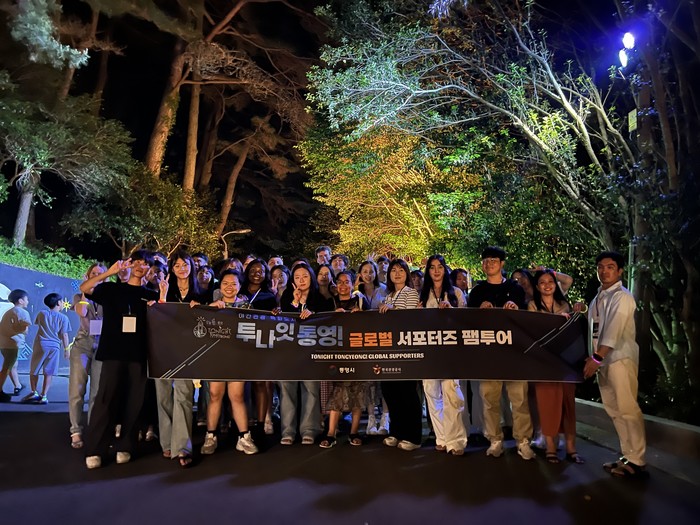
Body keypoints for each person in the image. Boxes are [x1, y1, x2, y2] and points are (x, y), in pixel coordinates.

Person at [80, 251, 161, 469]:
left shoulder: (150, 295)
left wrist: (162, 294)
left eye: (145, 264)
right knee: (105, 400)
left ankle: (125, 446)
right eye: (137, 262)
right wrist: (109, 272)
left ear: (149, 270)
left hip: (138, 354)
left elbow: (163, 318)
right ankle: (96, 449)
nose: (140, 266)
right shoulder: (111, 289)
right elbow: (85, 288)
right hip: (112, 353)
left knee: (134, 401)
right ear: (129, 264)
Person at [584, 250, 647, 477]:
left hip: (619, 358)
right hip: (603, 361)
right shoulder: (598, 298)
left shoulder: (622, 296)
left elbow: (613, 331)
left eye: (610, 267)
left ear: (620, 271)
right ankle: (627, 455)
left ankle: (637, 460)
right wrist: (594, 357)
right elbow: (595, 332)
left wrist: (596, 358)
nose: (604, 271)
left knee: (627, 408)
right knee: (614, 410)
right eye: (600, 267)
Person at [469, 246, 534, 460]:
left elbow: (526, 317)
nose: (489, 264)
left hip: (514, 352)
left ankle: (523, 441)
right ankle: (495, 440)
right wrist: (479, 311)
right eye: (486, 261)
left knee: (519, 398)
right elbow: (467, 322)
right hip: (488, 354)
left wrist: (515, 307)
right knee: (489, 398)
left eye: (494, 260)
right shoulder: (477, 291)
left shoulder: (515, 288)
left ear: (502, 264)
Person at [528, 269, 584, 464]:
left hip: (565, 362)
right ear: (537, 287)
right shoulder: (532, 305)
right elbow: (533, 330)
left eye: (550, 281)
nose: (547, 285)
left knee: (568, 404)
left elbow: (568, 279)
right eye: (542, 282)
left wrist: (549, 271)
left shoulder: (564, 304)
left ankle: (571, 448)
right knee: (547, 404)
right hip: (544, 363)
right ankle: (550, 447)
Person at [201, 269, 259, 456]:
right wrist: (210, 308)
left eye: (234, 284)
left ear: (240, 286)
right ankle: (211, 436)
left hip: (238, 358)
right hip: (216, 357)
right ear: (220, 286)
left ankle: (244, 437)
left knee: (237, 396)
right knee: (215, 394)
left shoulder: (247, 307)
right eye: (225, 283)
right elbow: (199, 325)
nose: (229, 287)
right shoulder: (212, 305)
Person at [156, 250, 203, 468]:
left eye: (185, 265)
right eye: (177, 265)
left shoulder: (201, 292)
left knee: (184, 395)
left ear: (192, 267)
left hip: (188, 352)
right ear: (171, 269)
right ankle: (167, 443)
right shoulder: (165, 289)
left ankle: (183, 447)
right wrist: (163, 296)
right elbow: (158, 316)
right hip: (163, 349)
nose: (182, 269)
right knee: (163, 396)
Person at [278, 263, 334, 445]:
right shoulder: (287, 296)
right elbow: (283, 319)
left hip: (312, 352)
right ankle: (288, 430)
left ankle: (309, 429)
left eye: (305, 276)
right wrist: (296, 303)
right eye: (297, 277)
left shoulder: (321, 298)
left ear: (311, 277)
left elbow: (327, 321)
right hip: (289, 352)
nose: (301, 280)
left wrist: (312, 313)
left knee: (311, 390)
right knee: (287, 390)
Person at [419, 255, 468, 456]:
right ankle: (441, 437)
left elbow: (466, 321)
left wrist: (451, 311)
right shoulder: (422, 294)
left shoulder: (456, 292)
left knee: (452, 393)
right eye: (432, 267)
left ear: (445, 269)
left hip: (450, 351)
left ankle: (456, 440)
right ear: (428, 271)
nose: (436, 271)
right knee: (431, 393)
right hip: (429, 351)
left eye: (440, 267)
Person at [319, 271, 370, 448]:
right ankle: (331, 433)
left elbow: (372, 322)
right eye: (339, 282)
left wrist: (361, 315)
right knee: (337, 392)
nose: (343, 285)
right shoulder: (330, 302)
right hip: (337, 352)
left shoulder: (361, 301)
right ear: (335, 284)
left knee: (358, 391)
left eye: (346, 282)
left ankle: (354, 432)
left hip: (358, 352)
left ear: (352, 283)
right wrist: (333, 315)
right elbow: (321, 324)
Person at [378, 258, 423, 451]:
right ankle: (396, 431)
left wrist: (392, 309)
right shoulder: (388, 296)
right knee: (390, 392)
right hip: (389, 351)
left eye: (401, 270)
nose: (397, 274)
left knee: (407, 393)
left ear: (407, 274)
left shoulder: (410, 293)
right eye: (393, 270)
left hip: (405, 350)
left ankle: (413, 437)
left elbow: (409, 318)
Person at [68, 263, 106, 448]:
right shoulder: (79, 297)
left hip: (103, 344)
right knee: (77, 389)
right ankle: (75, 430)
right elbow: (82, 311)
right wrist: (86, 289)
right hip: (83, 343)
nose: (97, 276)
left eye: (100, 274)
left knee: (97, 392)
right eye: (94, 274)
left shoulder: (108, 298)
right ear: (88, 276)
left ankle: (93, 428)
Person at [21, 293, 71, 405]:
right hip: (54, 346)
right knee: (49, 371)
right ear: (58, 303)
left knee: (34, 369)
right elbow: (64, 335)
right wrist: (67, 349)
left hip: (41, 344)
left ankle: (34, 391)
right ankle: (44, 396)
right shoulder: (64, 318)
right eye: (62, 301)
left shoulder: (42, 314)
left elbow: (38, 324)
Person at [0, 289, 32, 402]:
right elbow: (25, 329)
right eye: (26, 299)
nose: (28, 301)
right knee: (7, 367)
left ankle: (17, 385)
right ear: (21, 301)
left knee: (12, 365)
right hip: (13, 344)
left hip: (4, 344)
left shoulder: (9, 312)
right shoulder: (23, 313)